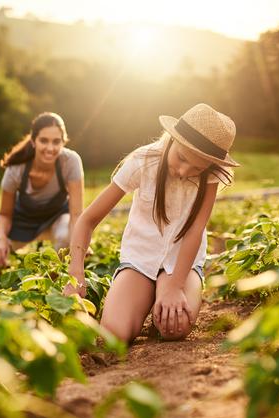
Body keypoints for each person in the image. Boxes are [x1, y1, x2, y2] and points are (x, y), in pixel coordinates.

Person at [64, 103, 239, 343]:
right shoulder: (142, 161)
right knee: (114, 336)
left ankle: (161, 298)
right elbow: (87, 220)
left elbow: (195, 230)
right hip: (140, 261)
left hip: (181, 265)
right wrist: (76, 274)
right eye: (181, 158)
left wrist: (175, 286)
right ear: (173, 139)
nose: (183, 170)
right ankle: (143, 297)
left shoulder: (211, 176)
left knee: (174, 328)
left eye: (196, 168)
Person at [0, 112, 84, 273]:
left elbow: (76, 214)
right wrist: (2, 240)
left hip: (56, 219)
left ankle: (55, 279)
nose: (50, 148)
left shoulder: (71, 161)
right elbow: (4, 214)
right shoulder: (16, 169)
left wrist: (79, 247)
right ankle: (6, 285)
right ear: (33, 141)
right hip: (22, 221)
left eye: (56, 142)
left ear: (63, 142)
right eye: (44, 141)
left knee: (66, 236)